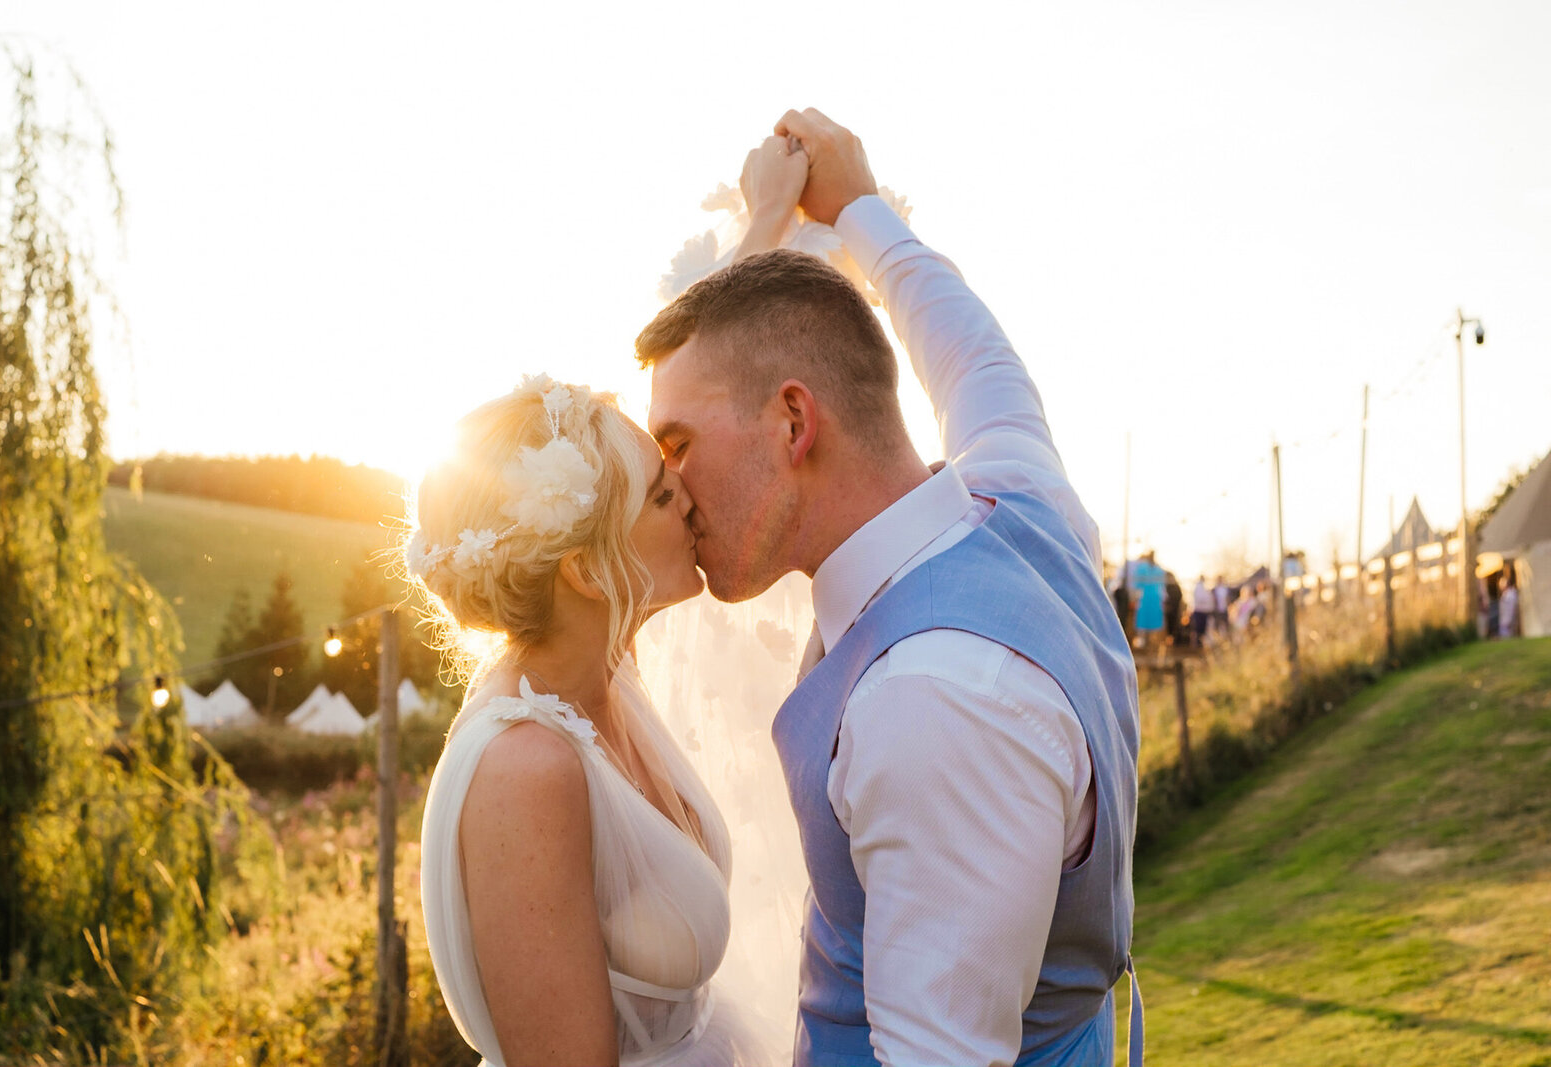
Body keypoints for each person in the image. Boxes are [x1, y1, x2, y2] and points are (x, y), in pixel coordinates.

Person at [637, 109, 1142, 1067]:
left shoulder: (932, 704)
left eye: (678, 444)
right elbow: (975, 353)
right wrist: (859, 206)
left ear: (793, 419)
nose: (666, 486)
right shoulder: (1017, 491)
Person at [404, 377, 778, 1065]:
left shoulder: (609, 675)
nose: (692, 498)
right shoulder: (525, 769)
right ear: (585, 570)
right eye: (663, 495)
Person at [1190, 575, 1214, 647]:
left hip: (1203, 611)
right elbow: (1201, 599)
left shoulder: (1204, 587)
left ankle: (1200, 643)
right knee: (1198, 628)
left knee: (1201, 628)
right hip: (1199, 611)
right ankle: (1197, 643)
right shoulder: (1198, 588)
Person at [1499, 562, 1521, 638]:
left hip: (1508, 619)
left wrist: (1509, 619)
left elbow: (1511, 608)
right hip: (1506, 619)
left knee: (1508, 635)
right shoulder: (1506, 594)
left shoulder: (1510, 595)